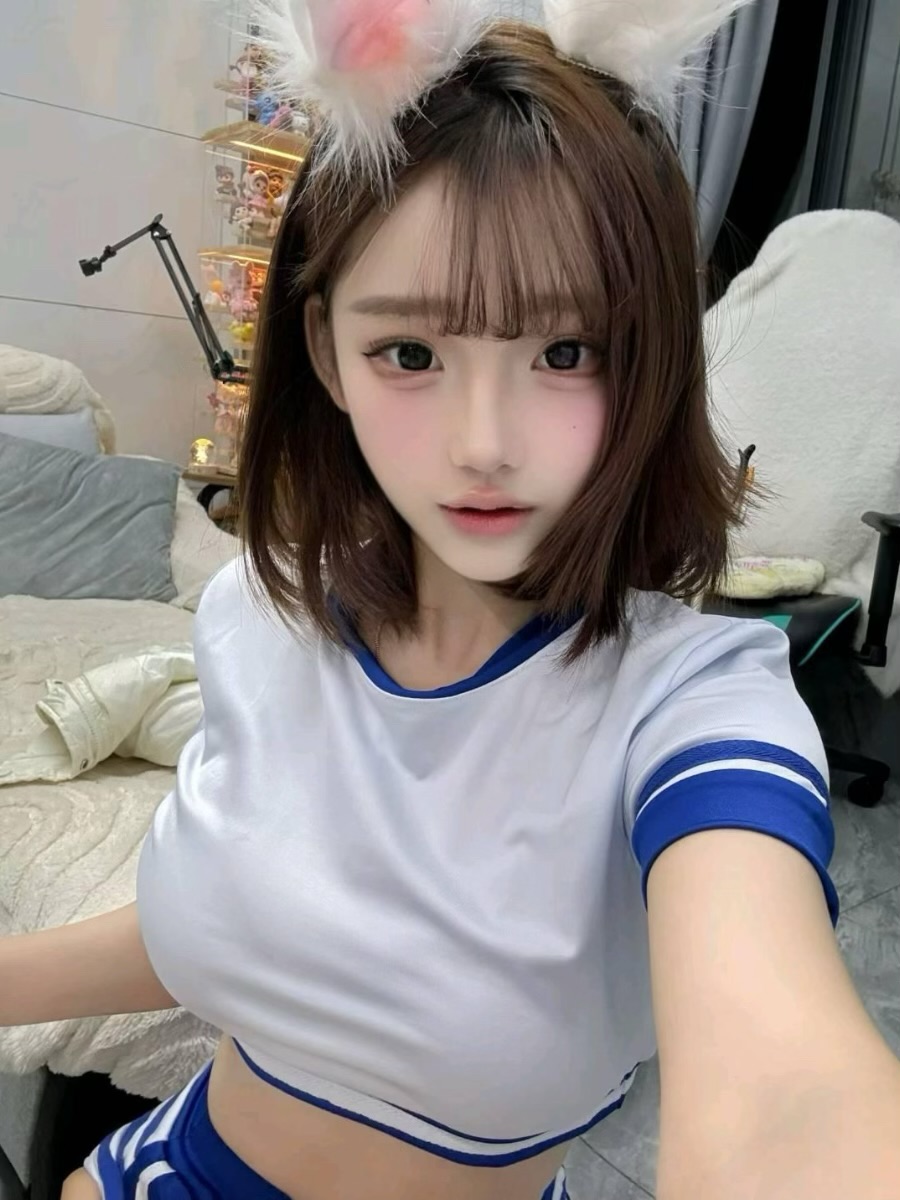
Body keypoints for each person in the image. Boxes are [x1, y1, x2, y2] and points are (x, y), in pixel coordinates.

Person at [3, 3, 900, 1199]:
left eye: (567, 352)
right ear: (327, 353)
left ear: (650, 358)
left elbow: (782, 1084)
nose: (485, 444)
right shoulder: (259, 618)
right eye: (411, 355)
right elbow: (235, 928)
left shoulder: (690, 704)